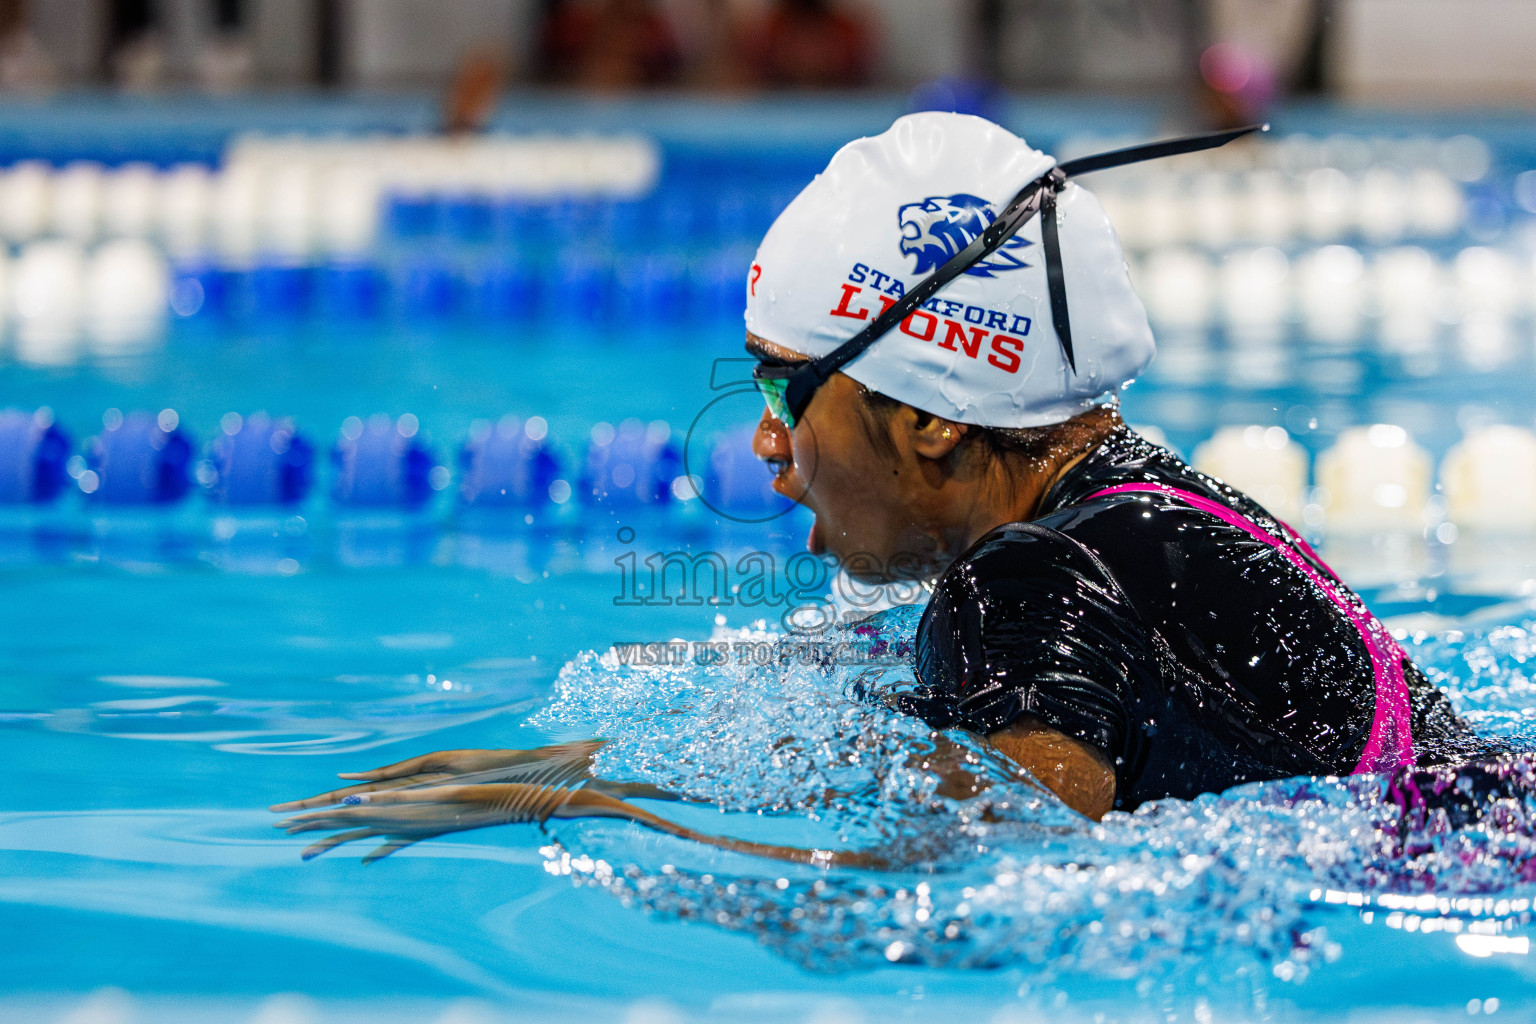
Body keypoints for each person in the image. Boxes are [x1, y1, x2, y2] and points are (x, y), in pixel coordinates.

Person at [274, 113, 1497, 862]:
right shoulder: (1143, 508)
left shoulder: (1026, 582)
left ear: (925, 414)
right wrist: (587, 762)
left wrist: (596, 810)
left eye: (783, 390)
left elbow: (991, 887)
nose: (766, 444)